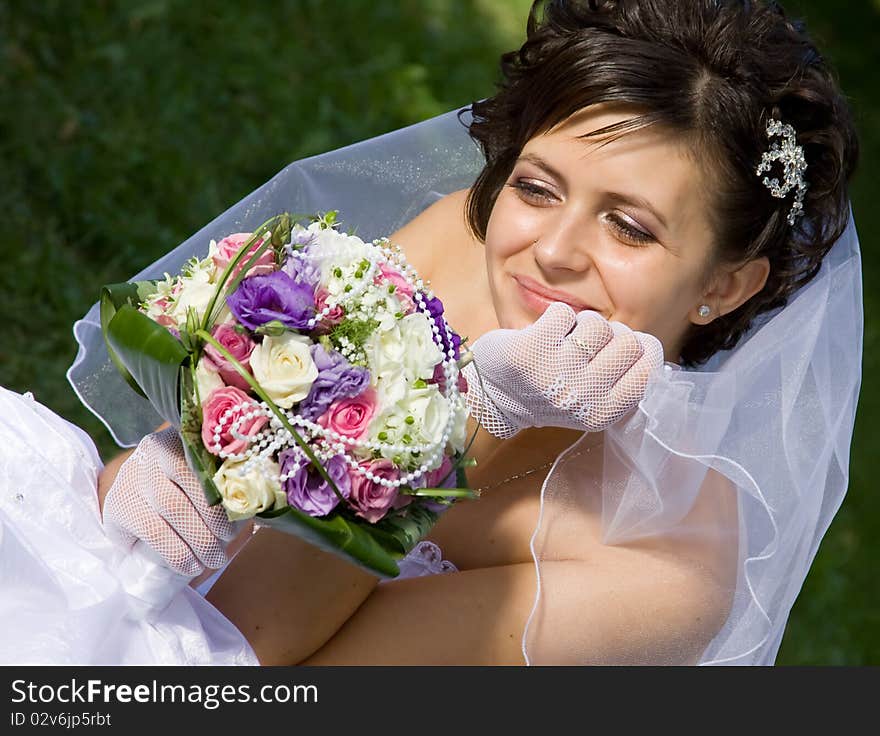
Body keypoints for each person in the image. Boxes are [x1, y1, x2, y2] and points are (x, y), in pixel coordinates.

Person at [4, 0, 862, 665]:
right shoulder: (473, 241)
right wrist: (180, 455)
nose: (551, 251)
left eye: (629, 228)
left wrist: (469, 420)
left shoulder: (666, 572)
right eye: (537, 187)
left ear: (723, 285)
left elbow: (242, 661)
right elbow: (137, 515)